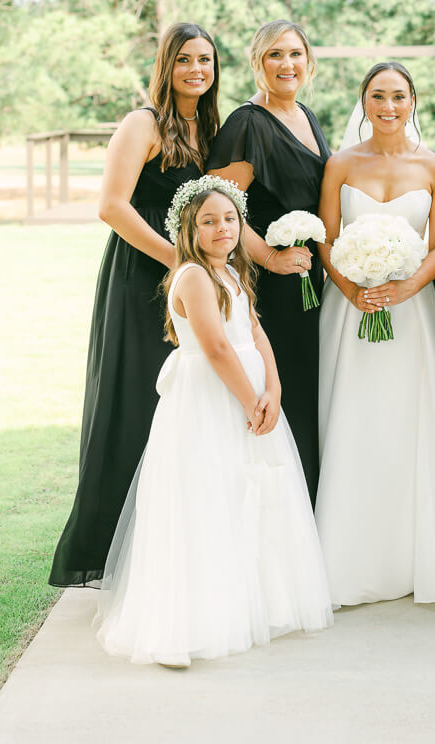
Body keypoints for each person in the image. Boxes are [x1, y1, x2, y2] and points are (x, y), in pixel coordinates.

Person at [95, 178, 333, 666]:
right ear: (189, 229)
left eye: (229, 218)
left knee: (247, 493)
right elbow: (217, 347)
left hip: (251, 392)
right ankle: (180, 627)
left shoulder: (232, 272)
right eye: (209, 221)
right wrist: (251, 400)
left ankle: (247, 604)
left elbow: (253, 330)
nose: (222, 228)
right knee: (203, 497)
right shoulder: (194, 277)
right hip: (211, 397)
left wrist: (274, 388)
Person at [50, 23, 220, 587]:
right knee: (135, 398)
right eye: (185, 60)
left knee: (183, 405)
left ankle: (167, 539)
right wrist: (179, 260)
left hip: (190, 285)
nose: (197, 69)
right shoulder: (142, 123)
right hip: (140, 279)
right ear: (165, 67)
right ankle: (107, 548)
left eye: (206, 60)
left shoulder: (209, 130)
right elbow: (112, 206)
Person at [315, 62, 435, 608]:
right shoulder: (340, 164)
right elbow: (328, 240)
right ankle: (345, 561)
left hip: (410, 311)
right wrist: (352, 288)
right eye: (378, 96)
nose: (389, 106)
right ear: (364, 101)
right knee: (353, 420)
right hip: (350, 309)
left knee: (406, 424)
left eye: (398, 96)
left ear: (413, 101)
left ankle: (408, 557)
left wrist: (406, 287)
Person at [207, 20, 331, 502]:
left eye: (296, 54)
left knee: (306, 390)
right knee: (282, 389)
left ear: (309, 61)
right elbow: (222, 207)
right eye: (275, 55)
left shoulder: (306, 115)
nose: (287, 64)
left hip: (308, 277)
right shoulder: (247, 123)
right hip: (271, 283)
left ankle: (309, 512)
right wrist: (272, 259)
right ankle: (276, 511)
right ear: (258, 62)